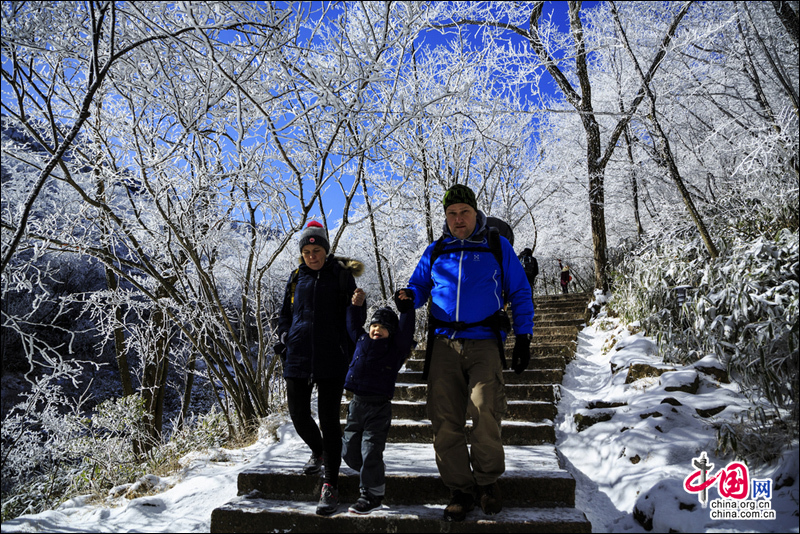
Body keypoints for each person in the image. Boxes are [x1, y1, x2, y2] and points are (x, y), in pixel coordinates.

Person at [394, 184, 534, 522]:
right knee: (444, 418)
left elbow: (519, 290)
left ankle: (487, 482)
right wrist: (409, 296)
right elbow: (420, 285)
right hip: (443, 343)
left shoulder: (496, 246)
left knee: (486, 409)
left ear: (475, 213)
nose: (458, 219)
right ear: (446, 217)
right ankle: (460, 489)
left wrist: (525, 337)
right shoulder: (436, 249)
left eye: (464, 213)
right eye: (452, 214)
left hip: (484, 341)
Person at [276, 220, 364, 516]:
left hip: (331, 356)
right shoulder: (295, 277)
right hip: (298, 355)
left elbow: (354, 317)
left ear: (325, 250)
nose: (312, 255)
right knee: (298, 414)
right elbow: (285, 314)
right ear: (301, 253)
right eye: (307, 250)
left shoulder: (340, 276)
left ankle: (330, 484)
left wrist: (360, 305)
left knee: (329, 420)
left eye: (317, 250)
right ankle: (319, 450)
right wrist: (284, 336)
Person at [341, 289, 416, 514]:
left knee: (371, 448)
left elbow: (406, 330)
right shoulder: (361, 339)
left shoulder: (395, 349)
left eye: (383, 328)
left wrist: (407, 309)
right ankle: (374, 470)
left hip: (379, 407)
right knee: (349, 451)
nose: (376, 330)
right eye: (374, 325)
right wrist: (355, 306)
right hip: (356, 405)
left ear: (391, 333)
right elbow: (353, 325)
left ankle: (371, 494)